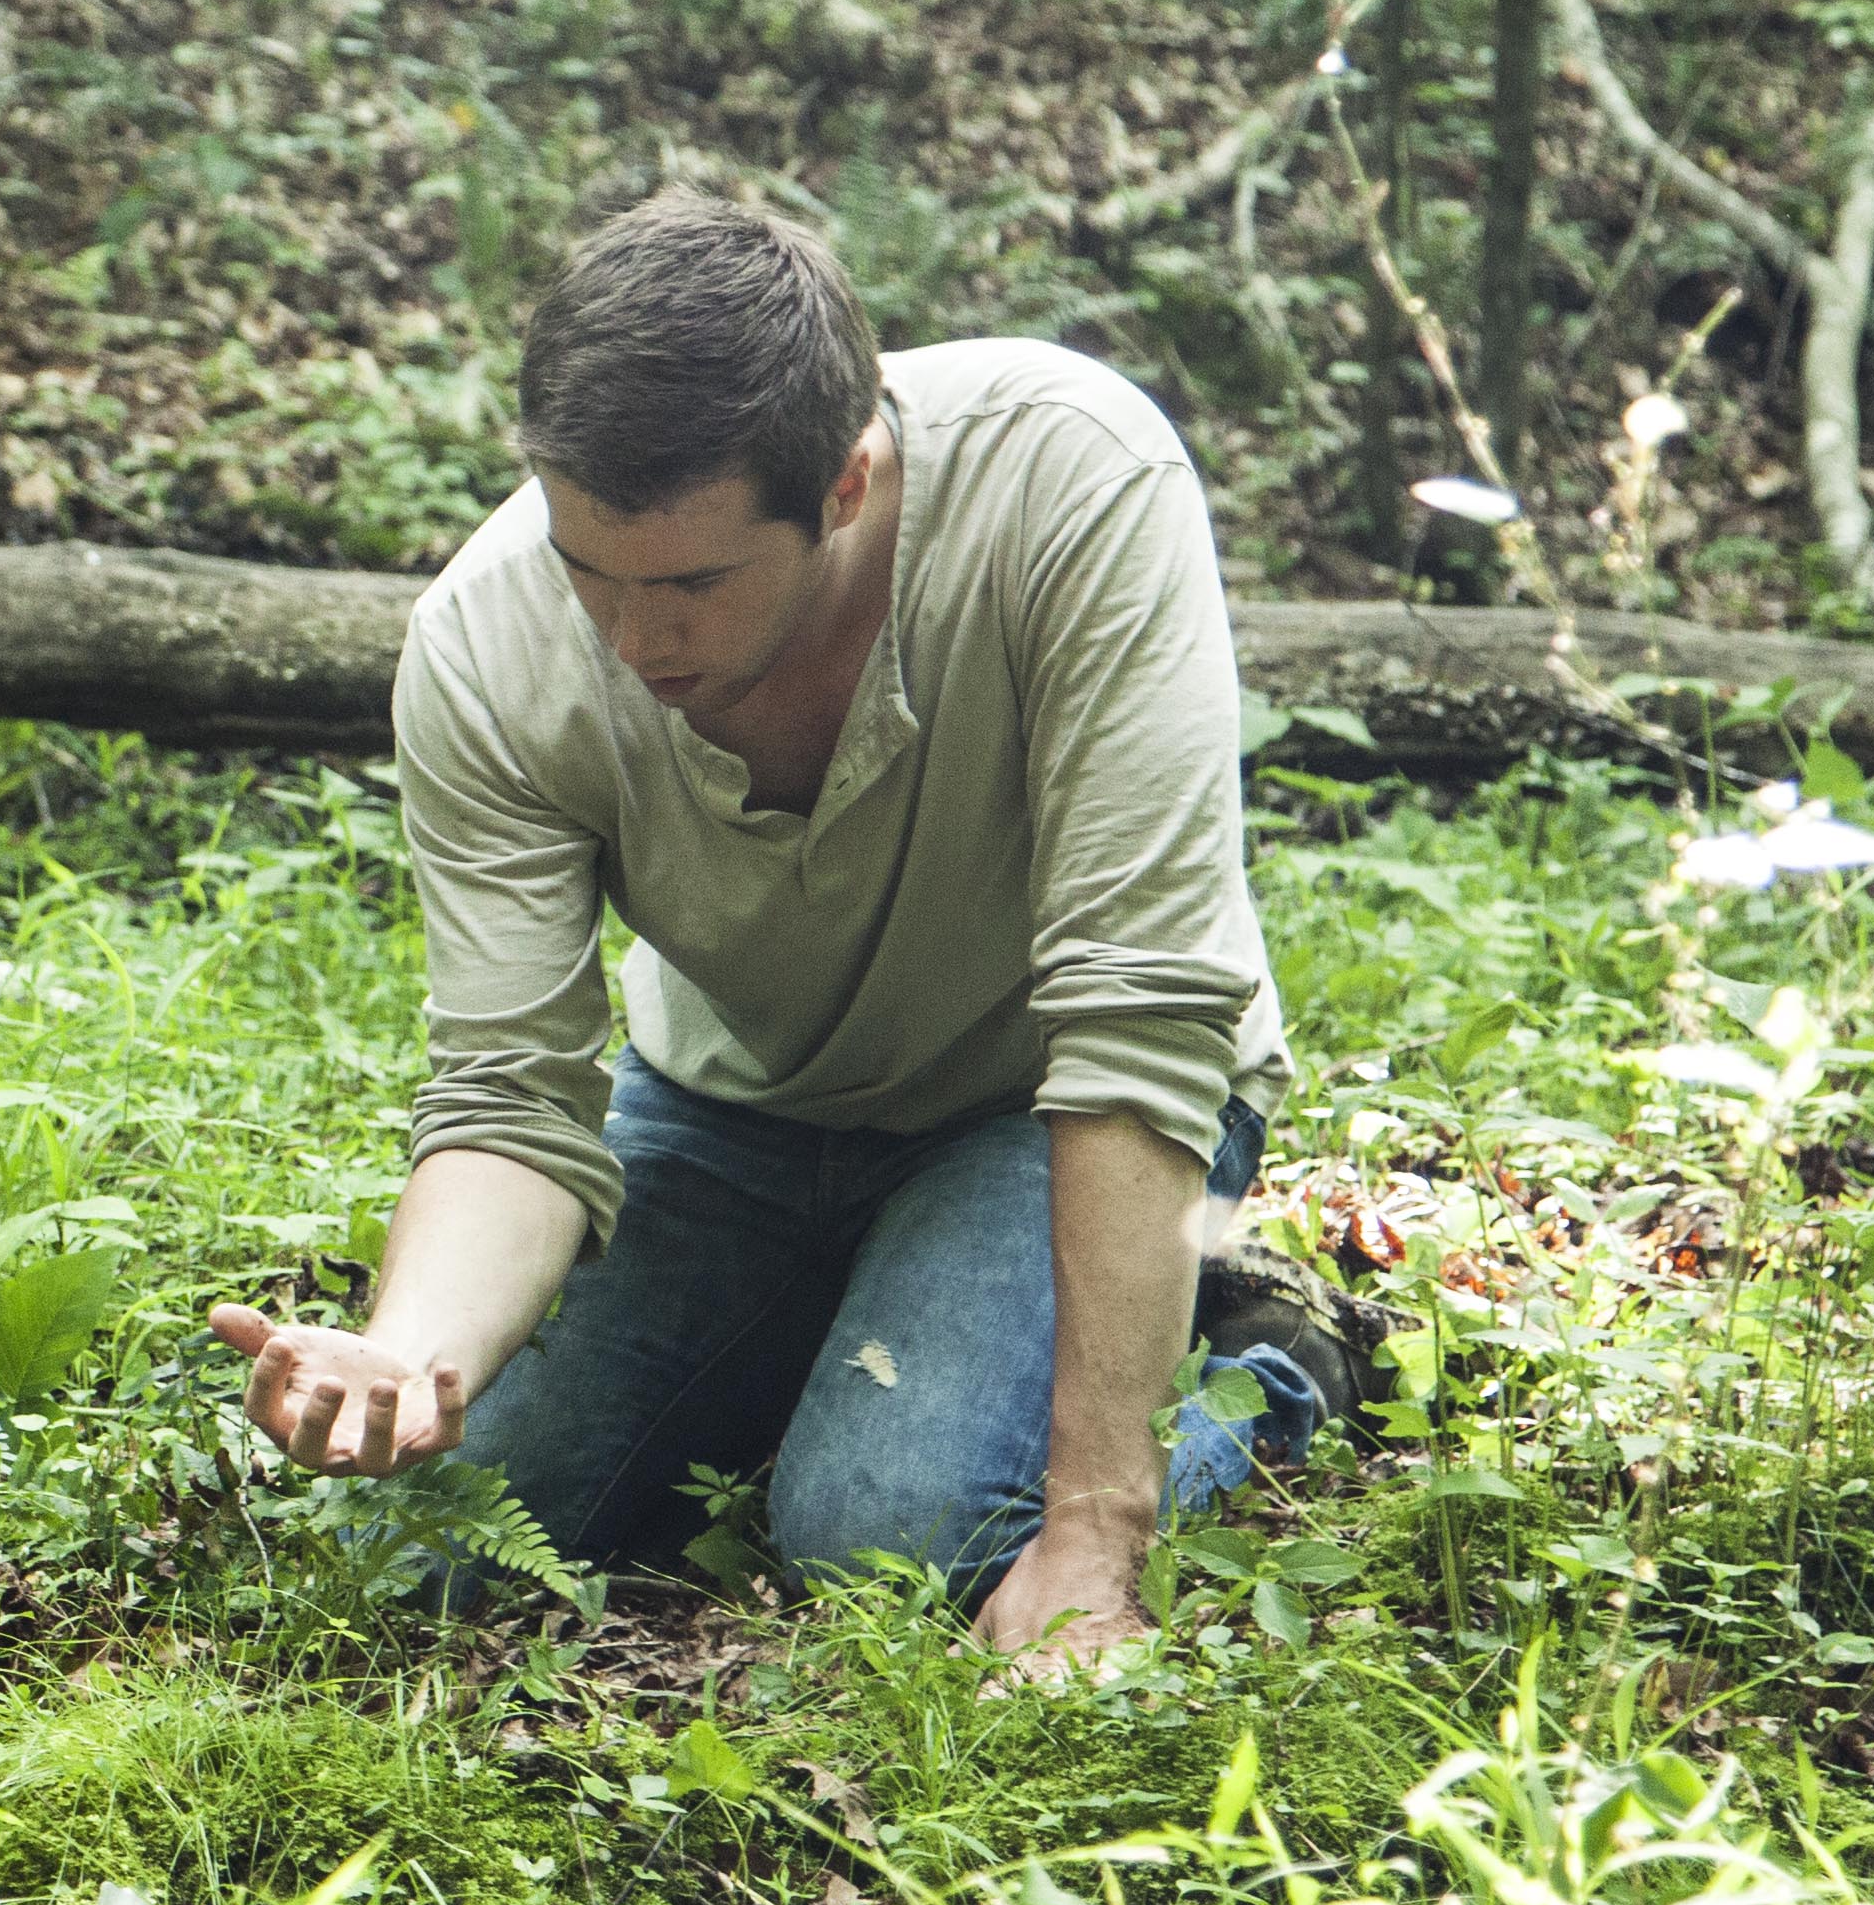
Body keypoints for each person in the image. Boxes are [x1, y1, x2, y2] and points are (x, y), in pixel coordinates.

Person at [203, 189, 1349, 1663]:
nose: (634, 640)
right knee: (425, 1544)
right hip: (727, 1108)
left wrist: (1097, 1521)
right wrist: (407, 1355)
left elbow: (1140, 1011)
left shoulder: (1075, 478)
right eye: (587, 571)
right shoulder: (485, 645)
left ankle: (1272, 1357)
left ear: (852, 482)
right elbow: (510, 1096)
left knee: (892, 1540)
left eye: (692, 582)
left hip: (1046, 1105)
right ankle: (855, 1330)